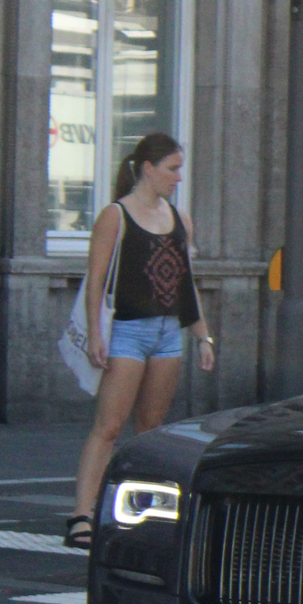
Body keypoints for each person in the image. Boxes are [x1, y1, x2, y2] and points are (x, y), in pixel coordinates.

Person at [67, 133, 215, 549]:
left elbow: (187, 285)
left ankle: (140, 511)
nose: (178, 177)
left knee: (151, 429)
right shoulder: (116, 215)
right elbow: (95, 280)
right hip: (127, 331)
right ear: (148, 169)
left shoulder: (179, 219)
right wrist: (97, 334)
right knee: (109, 426)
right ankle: (82, 514)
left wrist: (203, 336)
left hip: (168, 332)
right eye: (173, 168)